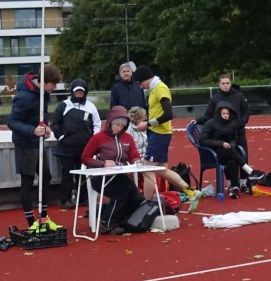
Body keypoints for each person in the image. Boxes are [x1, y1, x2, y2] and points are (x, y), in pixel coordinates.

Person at [7, 66, 62, 229]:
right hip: (25, 144)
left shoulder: (44, 94)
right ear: (43, 82)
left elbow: (41, 115)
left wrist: (46, 127)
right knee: (28, 180)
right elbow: (12, 122)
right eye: (52, 85)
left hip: (38, 143)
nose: (54, 88)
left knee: (46, 176)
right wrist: (33, 130)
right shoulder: (23, 97)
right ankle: (31, 221)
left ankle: (43, 217)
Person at [79, 105, 145, 234]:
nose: (119, 128)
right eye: (116, 124)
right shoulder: (98, 137)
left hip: (121, 176)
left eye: (122, 125)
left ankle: (113, 216)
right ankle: (107, 223)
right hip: (100, 177)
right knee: (123, 190)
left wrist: (137, 161)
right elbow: (85, 158)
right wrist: (103, 163)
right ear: (110, 122)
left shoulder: (128, 138)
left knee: (137, 198)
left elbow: (133, 154)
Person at [126, 106, 200, 207]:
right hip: (160, 138)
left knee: (148, 172)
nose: (146, 117)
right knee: (163, 171)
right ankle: (191, 192)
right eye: (144, 116)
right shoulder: (131, 130)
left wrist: (148, 124)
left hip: (156, 140)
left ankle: (145, 206)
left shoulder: (158, 105)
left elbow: (167, 115)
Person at [50, 79, 101, 208]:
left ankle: (83, 198)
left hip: (85, 148)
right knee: (67, 174)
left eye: (81, 91)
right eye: (76, 91)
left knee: (83, 174)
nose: (79, 93)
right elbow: (55, 123)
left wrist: (93, 141)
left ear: (85, 92)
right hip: (66, 147)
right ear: (72, 92)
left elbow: (97, 124)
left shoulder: (91, 106)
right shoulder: (63, 105)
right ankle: (65, 200)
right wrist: (61, 137)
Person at [199, 101, 264, 199]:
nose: (225, 115)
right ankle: (250, 171)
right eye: (223, 113)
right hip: (213, 154)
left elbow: (234, 139)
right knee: (232, 153)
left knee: (233, 159)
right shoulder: (210, 123)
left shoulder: (232, 124)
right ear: (218, 113)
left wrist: (231, 145)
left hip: (228, 152)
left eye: (227, 113)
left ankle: (233, 188)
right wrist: (221, 144)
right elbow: (202, 140)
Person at [196, 74, 251, 159]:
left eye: (227, 83)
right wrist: (197, 120)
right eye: (223, 83)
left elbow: (246, 113)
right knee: (231, 162)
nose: (225, 85)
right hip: (223, 136)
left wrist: (238, 124)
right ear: (219, 84)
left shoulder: (239, 96)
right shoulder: (214, 99)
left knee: (243, 158)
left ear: (230, 83)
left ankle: (246, 168)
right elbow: (208, 116)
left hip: (239, 133)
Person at [133, 65, 174, 165]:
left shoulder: (160, 88)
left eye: (140, 83)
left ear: (146, 78)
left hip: (159, 133)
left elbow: (168, 115)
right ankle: (183, 177)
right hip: (158, 133)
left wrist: (147, 124)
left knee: (147, 168)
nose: (141, 87)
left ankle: (183, 176)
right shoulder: (154, 89)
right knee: (162, 169)